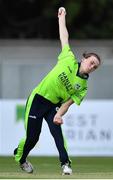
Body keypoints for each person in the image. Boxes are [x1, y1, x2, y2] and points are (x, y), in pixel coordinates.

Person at [14, 7, 101, 175]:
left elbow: (68, 103)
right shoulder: (68, 58)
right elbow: (64, 37)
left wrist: (59, 114)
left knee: (57, 134)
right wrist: (62, 17)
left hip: (54, 105)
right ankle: (21, 158)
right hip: (38, 99)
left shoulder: (83, 87)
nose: (92, 67)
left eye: (95, 67)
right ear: (83, 59)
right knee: (33, 138)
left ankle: (65, 164)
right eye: (91, 62)